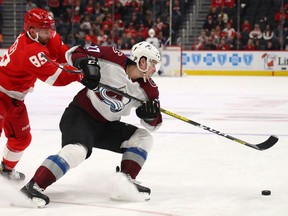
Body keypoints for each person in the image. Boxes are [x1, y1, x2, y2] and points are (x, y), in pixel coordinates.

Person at [20, 41, 163, 207]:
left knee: (143, 137)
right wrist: (85, 64)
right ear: (142, 61)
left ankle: (125, 183)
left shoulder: (149, 89)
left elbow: (154, 125)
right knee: (78, 151)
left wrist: (151, 115)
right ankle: (33, 186)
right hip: (81, 115)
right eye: (153, 64)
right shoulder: (112, 56)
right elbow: (73, 52)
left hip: (107, 126)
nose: (155, 69)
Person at [0, 8, 100, 182]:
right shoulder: (30, 51)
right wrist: (81, 74)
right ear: (32, 31)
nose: (50, 33)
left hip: (15, 99)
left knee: (22, 139)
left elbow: (64, 55)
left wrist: (81, 62)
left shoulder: (45, 38)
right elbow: (57, 77)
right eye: (45, 30)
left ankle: (6, 171)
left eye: (50, 28)